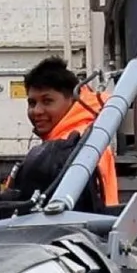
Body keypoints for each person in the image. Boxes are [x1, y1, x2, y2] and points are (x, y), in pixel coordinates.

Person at [22, 56, 120, 206]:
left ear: (73, 100)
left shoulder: (73, 145)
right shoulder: (88, 136)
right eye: (32, 103)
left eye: (47, 101)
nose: (37, 111)